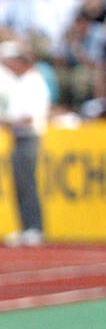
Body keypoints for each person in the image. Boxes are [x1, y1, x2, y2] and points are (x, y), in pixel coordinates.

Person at [0, 42, 51, 246]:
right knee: (20, 185)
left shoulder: (34, 83)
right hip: (19, 138)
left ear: (20, 61)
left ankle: (35, 228)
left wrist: (5, 120)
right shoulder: (20, 82)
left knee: (27, 184)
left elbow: (29, 118)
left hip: (28, 138)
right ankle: (26, 227)